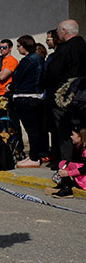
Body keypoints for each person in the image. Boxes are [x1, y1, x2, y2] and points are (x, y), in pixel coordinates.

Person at [43, 19, 86, 165]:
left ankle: (68, 164)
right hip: (82, 96)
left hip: (64, 96)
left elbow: (52, 74)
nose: (57, 34)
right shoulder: (83, 45)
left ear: (64, 31)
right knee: (81, 129)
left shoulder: (64, 49)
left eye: (58, 31)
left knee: (64, 132)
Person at [9, 35, 47, 168]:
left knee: (32, 129)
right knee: (35, 129)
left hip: (25, 97)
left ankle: (34, 157)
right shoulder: (39, 59)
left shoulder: (28, 61)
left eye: (19, 46)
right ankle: (34, 155)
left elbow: (17, 78)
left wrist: (11, 87)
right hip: (36, 97)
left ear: (24, 46)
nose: (18, 48)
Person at [47, 127, 86, 198]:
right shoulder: (80, 147)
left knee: (66, 165)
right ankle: (64, 184)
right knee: (64, 163)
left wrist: (68, 173)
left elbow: (84, 168)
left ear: (80, 137)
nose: (71, 137)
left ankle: (67, 188)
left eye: (73, 135)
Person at [0, 39, 18, 119]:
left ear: (10, 48)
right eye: (0, 47)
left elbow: (2, 76)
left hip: (6, 94)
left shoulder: (12, 61)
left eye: (4, 47)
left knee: (7, 119)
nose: (1, 49)